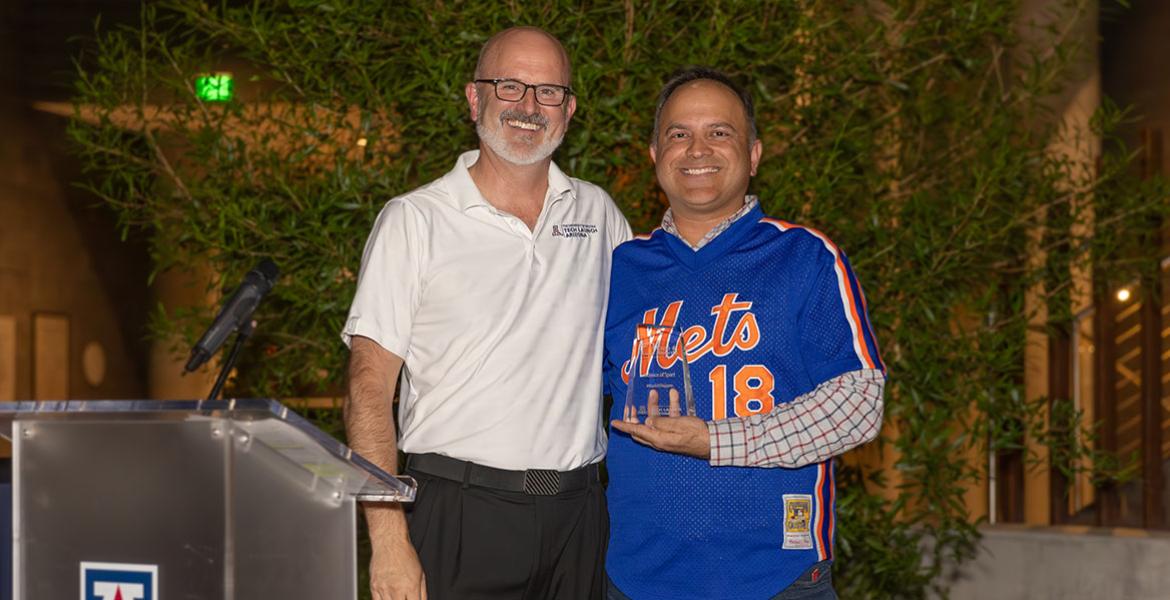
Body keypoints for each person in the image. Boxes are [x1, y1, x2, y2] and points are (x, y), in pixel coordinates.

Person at [342, 27, 631, 600]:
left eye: (548, 91)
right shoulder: (415, 219)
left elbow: (648, 343)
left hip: (580, 516)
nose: (528, 106)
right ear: (475, 98)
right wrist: (389, 539)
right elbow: (368, 390)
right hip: (458, 512)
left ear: (569, 111)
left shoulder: (598, 213)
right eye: (510, 86)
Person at [603, 67, 886, 600]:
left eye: (720, 132)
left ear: (754, 154)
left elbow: (859, 403)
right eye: (678, 134)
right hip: (636, 577)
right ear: (654, 154)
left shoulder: (803, 256)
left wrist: (714, 441)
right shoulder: (619, 269)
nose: (697, 149)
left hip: (776, 579)